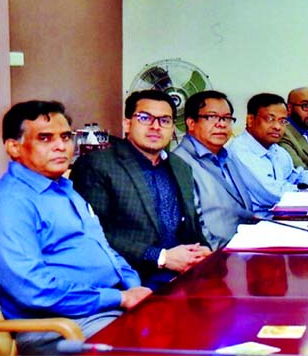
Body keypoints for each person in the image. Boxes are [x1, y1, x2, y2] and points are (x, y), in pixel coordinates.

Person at [0, 101, 151, 354]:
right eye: (45, 138)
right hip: (59, 326)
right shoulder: (10, 203)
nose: (60, 146)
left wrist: (133, 286)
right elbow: (32, 288)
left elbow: (105, 250)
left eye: (66, 137)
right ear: (14, 147)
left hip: (110, 307)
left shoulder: (64, 188)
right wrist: (119, 298)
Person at [71, 90, 211, 290]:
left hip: (183, 275)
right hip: (133, 279)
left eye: (164, 120)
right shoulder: (98, 165)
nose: (155, 126)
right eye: (145, 118)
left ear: (173, 128)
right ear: (127, 123)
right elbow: (95, 234)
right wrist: (161, 257)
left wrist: (204, 252)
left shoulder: (180, 166)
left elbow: (192, 227)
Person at [228, 93, 308, 215]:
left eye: (283, 121)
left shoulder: (276, 150)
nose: (277, 127)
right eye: (270, 119)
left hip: (283, 214)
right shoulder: (240, 150)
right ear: (250, 120)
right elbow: (272, 194)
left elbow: (296, 175)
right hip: (257, 222)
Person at [172, 90, 254, 250]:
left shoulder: (226, 156)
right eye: (211, 117)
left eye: (226, 118)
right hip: (215, 258)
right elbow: (194, 226)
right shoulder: (180, 162)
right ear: (191, 123)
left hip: (243, 249)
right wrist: (220, 258)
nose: (221, 124)